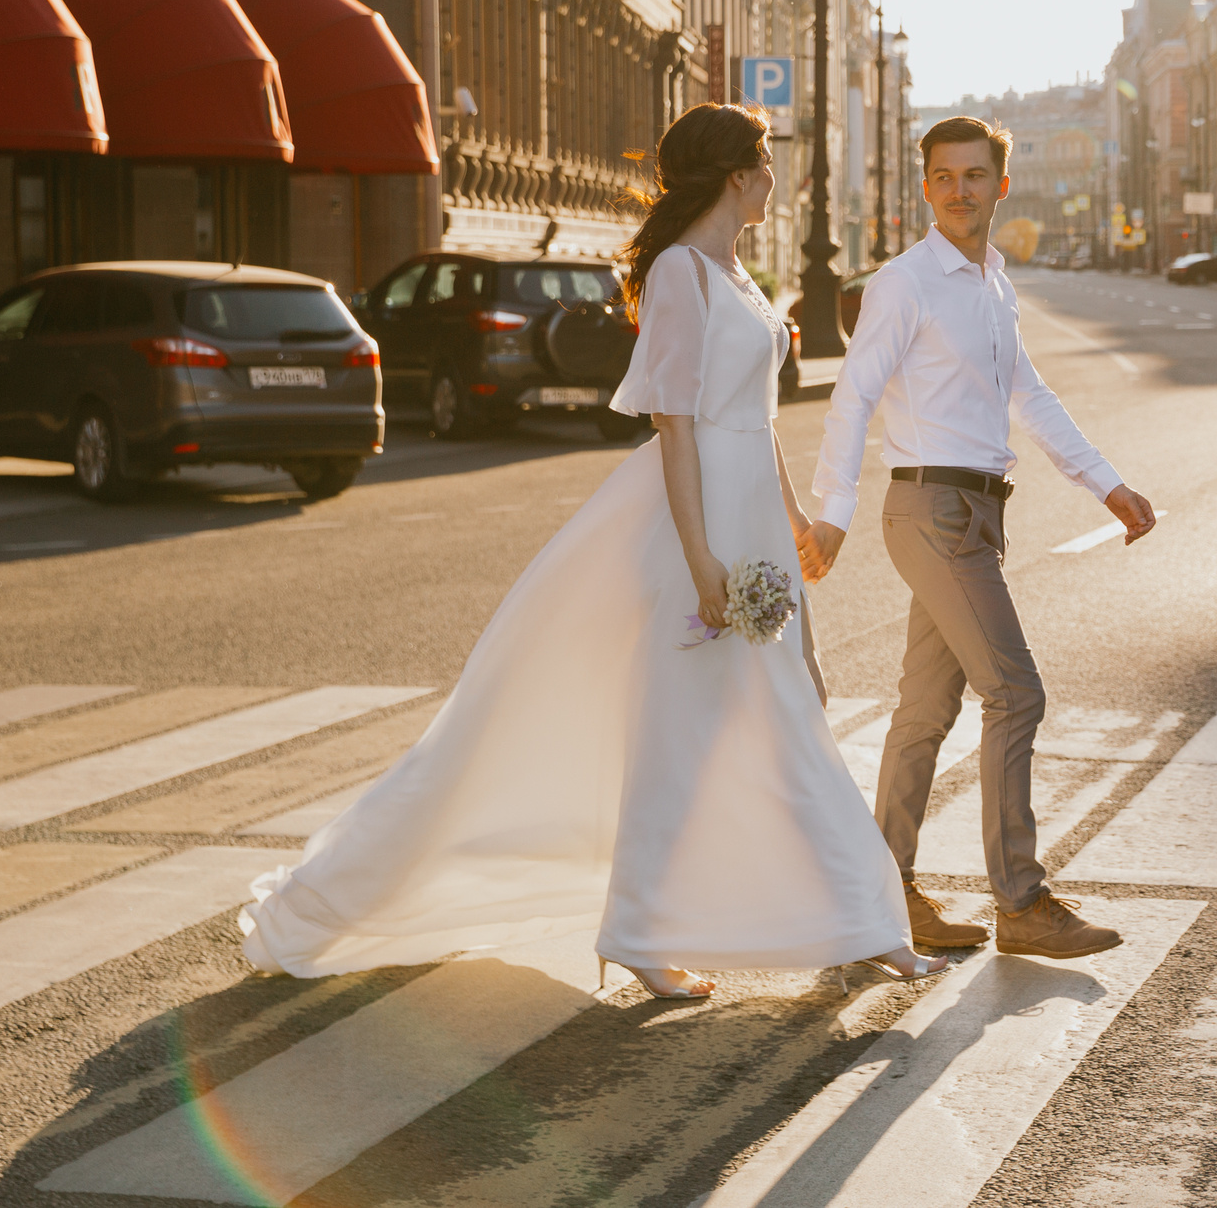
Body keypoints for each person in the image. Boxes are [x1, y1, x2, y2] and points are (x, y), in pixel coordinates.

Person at [238, 104, 947, 998]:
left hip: (756, 522)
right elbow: (676, 426)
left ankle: (845, 923)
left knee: (793, 709)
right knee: (698, 735)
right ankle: (749, 929)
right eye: (766, 162)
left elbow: (758, 417)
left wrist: (795, 512)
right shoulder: (681, 272)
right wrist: (701, 559)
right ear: (737, 174)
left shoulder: (738, 272)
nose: (775, 176)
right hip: (698, 523)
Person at [807, 115, 1157, 960]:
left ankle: (886, 894)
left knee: (926, 708)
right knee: (1016, 693)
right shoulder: (906, 283)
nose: (957, 190)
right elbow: (854, 394)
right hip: (932, 511)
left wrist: (1107, 484)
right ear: (925, 186)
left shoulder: (994, 285)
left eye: (973, 175)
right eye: (942, 175)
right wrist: (832, 512)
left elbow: (1030, 395)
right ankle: (1021, 902)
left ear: (1002, 185)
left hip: (974, 512)